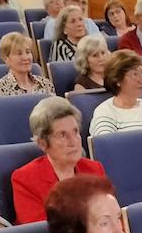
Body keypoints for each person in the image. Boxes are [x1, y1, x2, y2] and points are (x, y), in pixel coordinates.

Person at [10, 96, 106, 225]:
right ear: (42, 143)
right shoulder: (25, 179)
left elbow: (111, 216)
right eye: (62, 135)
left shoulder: (94, 169)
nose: (73, 142)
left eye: (75, 132)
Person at [0, 32, 55, 97]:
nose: (25, 58)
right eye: (19, 53)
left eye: (28, 52)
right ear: (6, 59)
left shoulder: (46, 84)